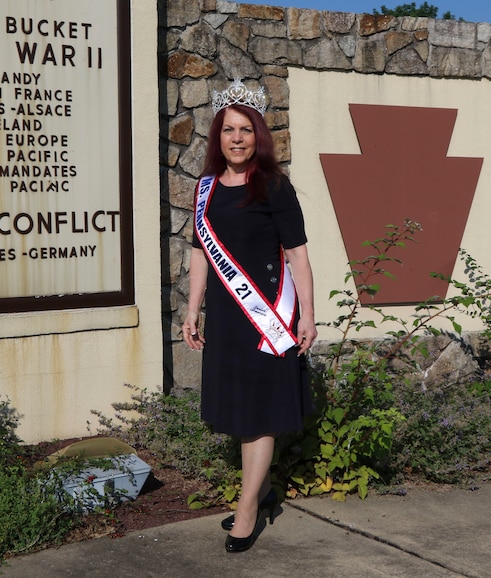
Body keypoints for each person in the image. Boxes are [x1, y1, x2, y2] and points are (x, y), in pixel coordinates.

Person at [181, 78, 317, 553]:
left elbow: (297, 254)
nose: (236, 139)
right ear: (217, 137)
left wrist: (308, 316)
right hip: (227, 317)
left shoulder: (275, 186)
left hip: (268, 318)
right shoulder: (204, 190)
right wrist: (192, 309)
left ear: (258, 135)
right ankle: (259, 492)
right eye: (227, 130)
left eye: (245, 130)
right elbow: (201, 253)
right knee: (240, 412)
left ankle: (247, 511)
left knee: (259, 414)